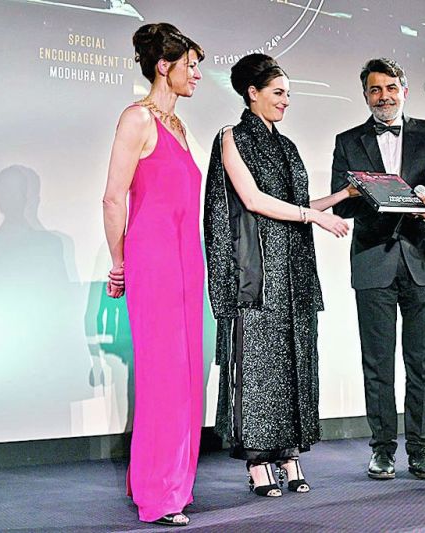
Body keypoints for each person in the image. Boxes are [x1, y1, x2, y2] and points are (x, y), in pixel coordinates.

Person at [204, 53, 353, 498]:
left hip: (294, 270)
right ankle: (257, 460)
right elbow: (252, 200)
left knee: (294, 360)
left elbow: (297, 205)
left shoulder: (286, 146)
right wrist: (315, 217)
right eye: (278, 92)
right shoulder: (231, 137)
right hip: (258, 270)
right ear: (252, 92)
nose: (286, 101)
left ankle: (288, 451)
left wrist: (345, 195)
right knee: (258, 364)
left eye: (288, 94)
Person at [102, 23, 204, 526]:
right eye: (190, 64)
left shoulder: (182, 128)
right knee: (164, 376)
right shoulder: (137, 119)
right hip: (154, 260)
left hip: (188, 262)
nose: (197, 74)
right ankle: (158, 493)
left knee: (186, 375)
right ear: (163, 66)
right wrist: (120, 263)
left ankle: (173, 483)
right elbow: (114, 197)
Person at [331, 58, 425, 480]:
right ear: (365, 95)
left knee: (422, 362)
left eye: (390, 88)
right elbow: (341, 203)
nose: (384, 96)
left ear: (405, 89)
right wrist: (372, 194)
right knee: (377, 363)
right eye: (375, 90)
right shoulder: (347, 141)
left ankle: (421, 449)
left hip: (423, 258)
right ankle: (382, 449)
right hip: (373, 260)